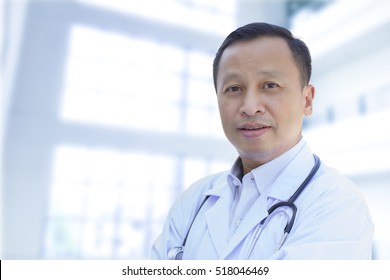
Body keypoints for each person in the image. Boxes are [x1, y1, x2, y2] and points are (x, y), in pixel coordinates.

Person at [151, 22, 374, 259]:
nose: (250, 107)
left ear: (307, 100)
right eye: (234, 88)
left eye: (270, 85)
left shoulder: (338, 204)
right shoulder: (194, 201)